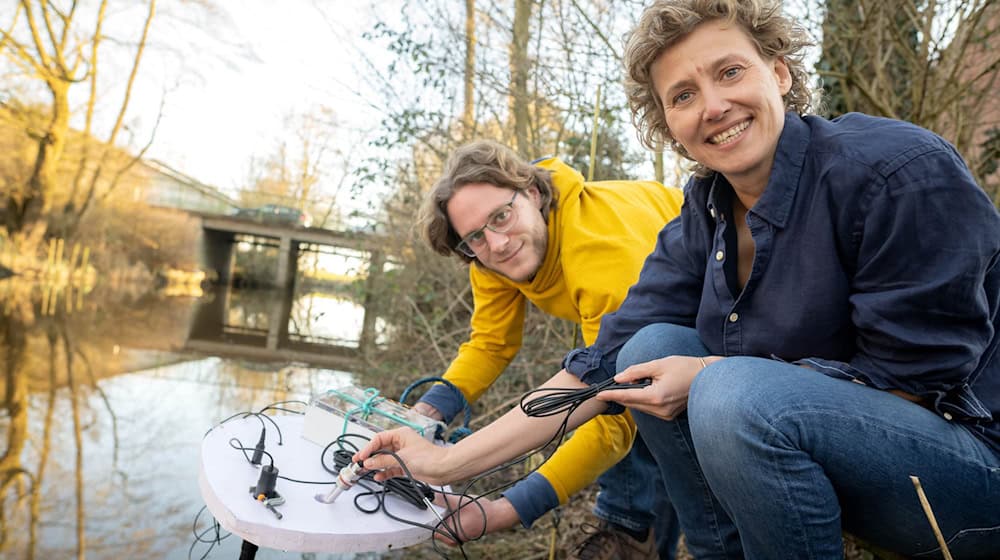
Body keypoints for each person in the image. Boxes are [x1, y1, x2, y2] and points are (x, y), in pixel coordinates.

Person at [357, 1, 1000, 558]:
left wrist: (512, 506)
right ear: (669, 127)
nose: (713, 107)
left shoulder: (896, 172)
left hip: (967, 474)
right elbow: (594, 374)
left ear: (779, 72)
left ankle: (635, 527)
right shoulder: (706, 211)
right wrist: (441, 459)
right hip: (829, 450)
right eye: (683, 96)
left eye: (729, 72)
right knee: (645, 351)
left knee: (727, 393)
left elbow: (912, 387)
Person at [411, 140, 685, 559]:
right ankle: (635, 533)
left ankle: (631, 532)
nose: (498, 244)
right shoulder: (488, 250)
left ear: (533, 194)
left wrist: (510, 507)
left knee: (642, 399)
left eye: (501, 217)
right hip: (644, 327)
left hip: (724, 303)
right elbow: (492, 341)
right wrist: (424, 415)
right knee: (623, 379)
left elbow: (611, 411)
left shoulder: (598, 254)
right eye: (475, 239)